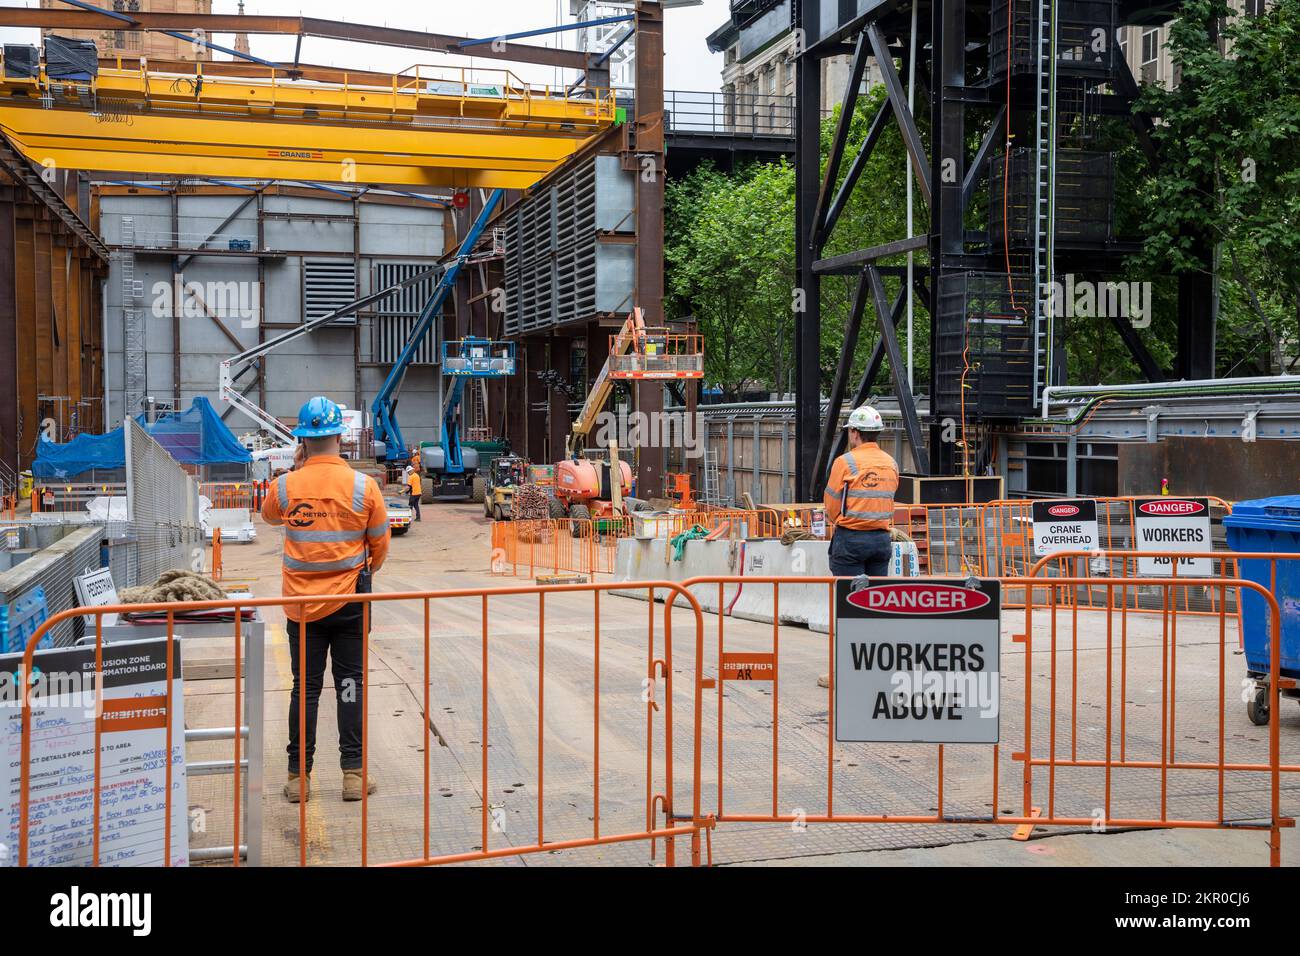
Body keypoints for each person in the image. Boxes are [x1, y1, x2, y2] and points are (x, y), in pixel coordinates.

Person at [262, 396, 390, 803]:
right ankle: (353, 776)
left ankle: (299, 778)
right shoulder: (362, 486)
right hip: (350, 604)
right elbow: (380, 544)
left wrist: (299, 472)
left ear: (302, 439)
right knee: (350, 684)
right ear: (339, 437)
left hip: (301, 609)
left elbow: (268, 516)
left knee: (306, 689)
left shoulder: (285, 485)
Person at [823, 405, 899, 578]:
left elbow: (831, 504)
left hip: (851, 539)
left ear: (855, 432)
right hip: (881, 541)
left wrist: (843, 522)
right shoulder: (891, 463)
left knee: (849, 597)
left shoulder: (844, 462)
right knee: (874, 599)